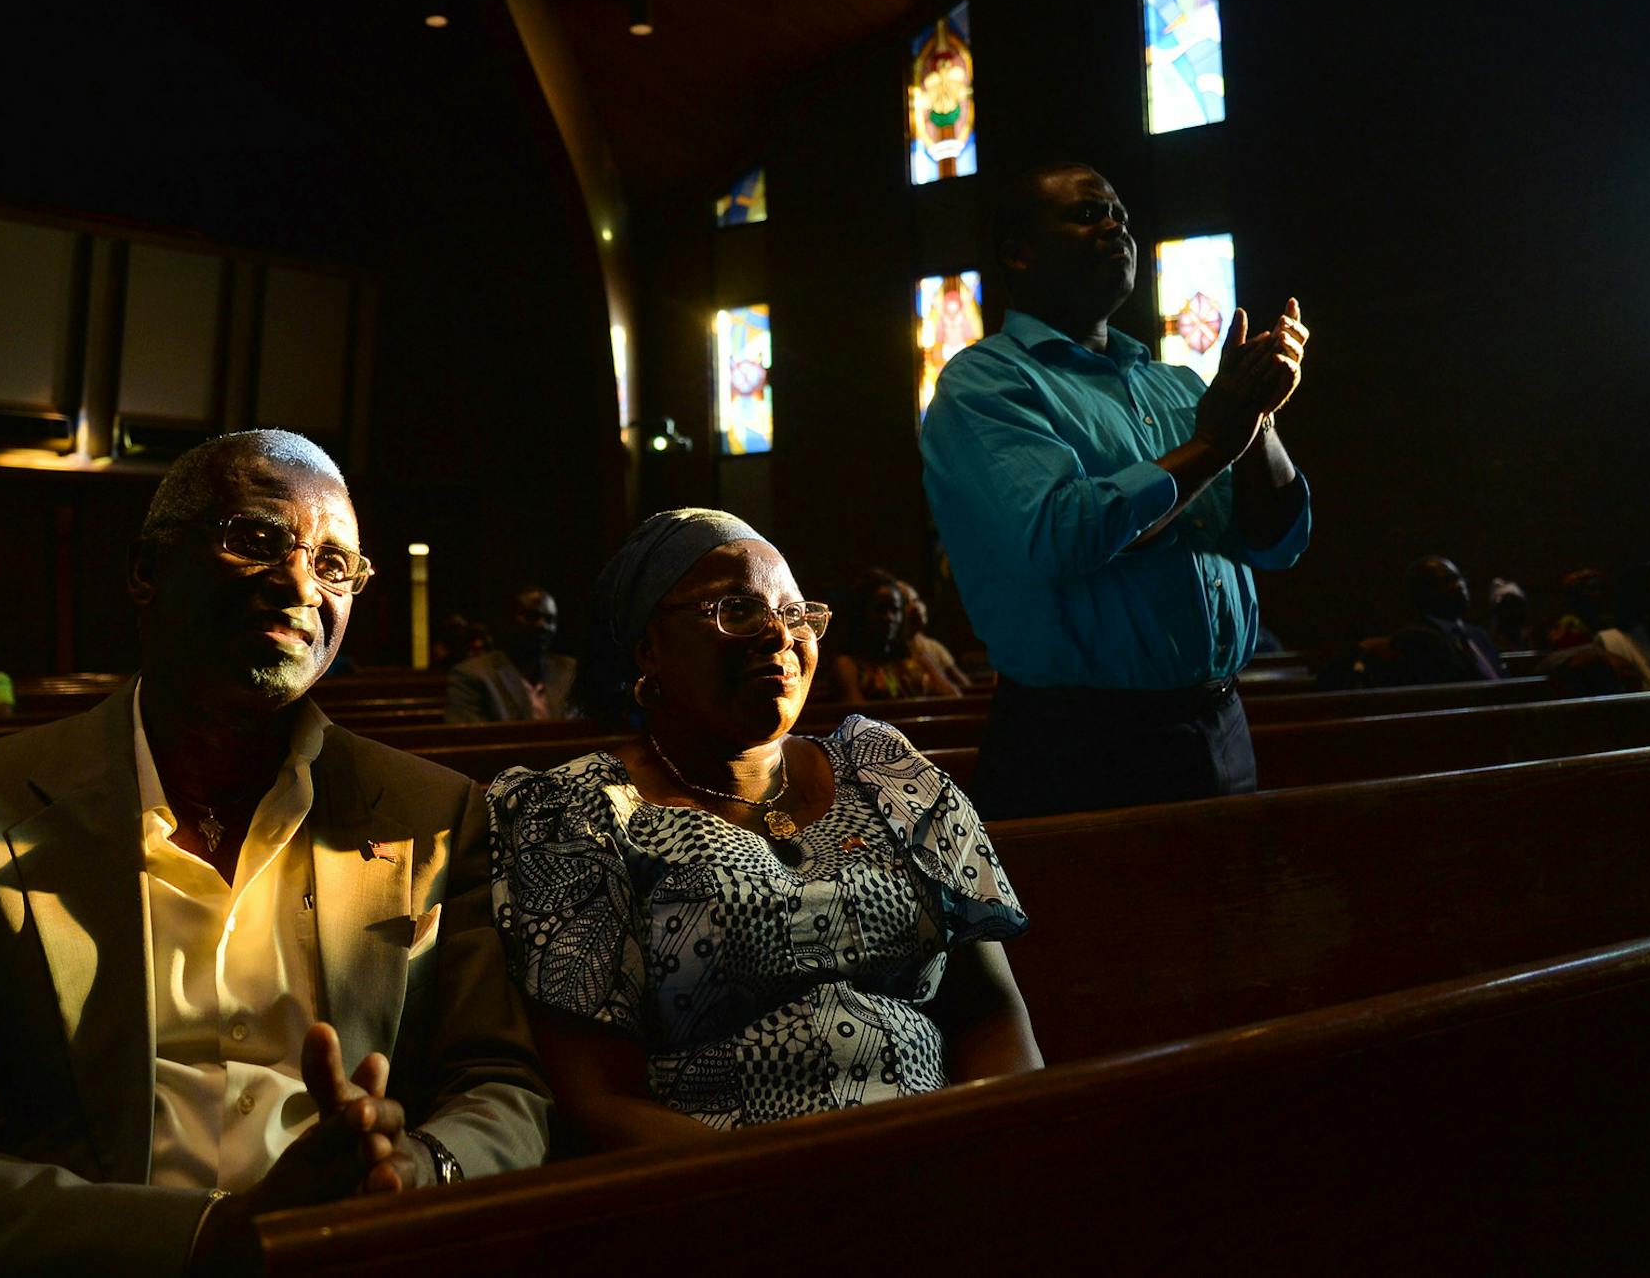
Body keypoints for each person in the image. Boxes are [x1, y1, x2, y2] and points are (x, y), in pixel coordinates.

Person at [0, 430, 551, 1277]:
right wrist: (208, 1239)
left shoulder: (431, 811)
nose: (297, 584)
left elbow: (503, 1084)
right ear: (145, 570)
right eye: (255, 538)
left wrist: (416, 1168)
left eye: (334, 562)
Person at [487, 508, 1039, 1146]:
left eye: (797, 613)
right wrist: (794, 1185)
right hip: (725, 1189)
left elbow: (990, 1013)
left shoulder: (885, 774)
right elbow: (598, 1097)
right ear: (649, 648)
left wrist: (995, 1139)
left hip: (945, 1152)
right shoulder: (581, 813)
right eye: (738, 612)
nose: (780, 636)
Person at [920, 163, 1311, 816]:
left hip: (1220, 720)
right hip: (1080, 743)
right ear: (1019, 253)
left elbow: (1276, 544)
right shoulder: (983, 384)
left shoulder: (1180, 385)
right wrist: (1215, 444)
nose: (1114, 227)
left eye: (1121, 217)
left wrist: (1258, 418)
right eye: (1087, 214)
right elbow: (1061, 531)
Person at [443, 586, 577, 723]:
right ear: (507, 621)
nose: (543, 625)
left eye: (549, 620)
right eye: (531, 616)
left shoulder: (570, 670)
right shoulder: (472, 675)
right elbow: (467, 739)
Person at [830, 570, 965, 704]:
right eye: (881, 609)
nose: (889, 618)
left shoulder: (915, 658)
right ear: (861, 614)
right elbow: (858, 718)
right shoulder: (848, 665)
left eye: (895, 610)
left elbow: (954, 699)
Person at [1391, 556, 1508, 685]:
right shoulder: (1415, 638)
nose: (1459, 586)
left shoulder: (1478, 634)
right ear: (1423, 592)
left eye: (1458, 578)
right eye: (1445, 581)